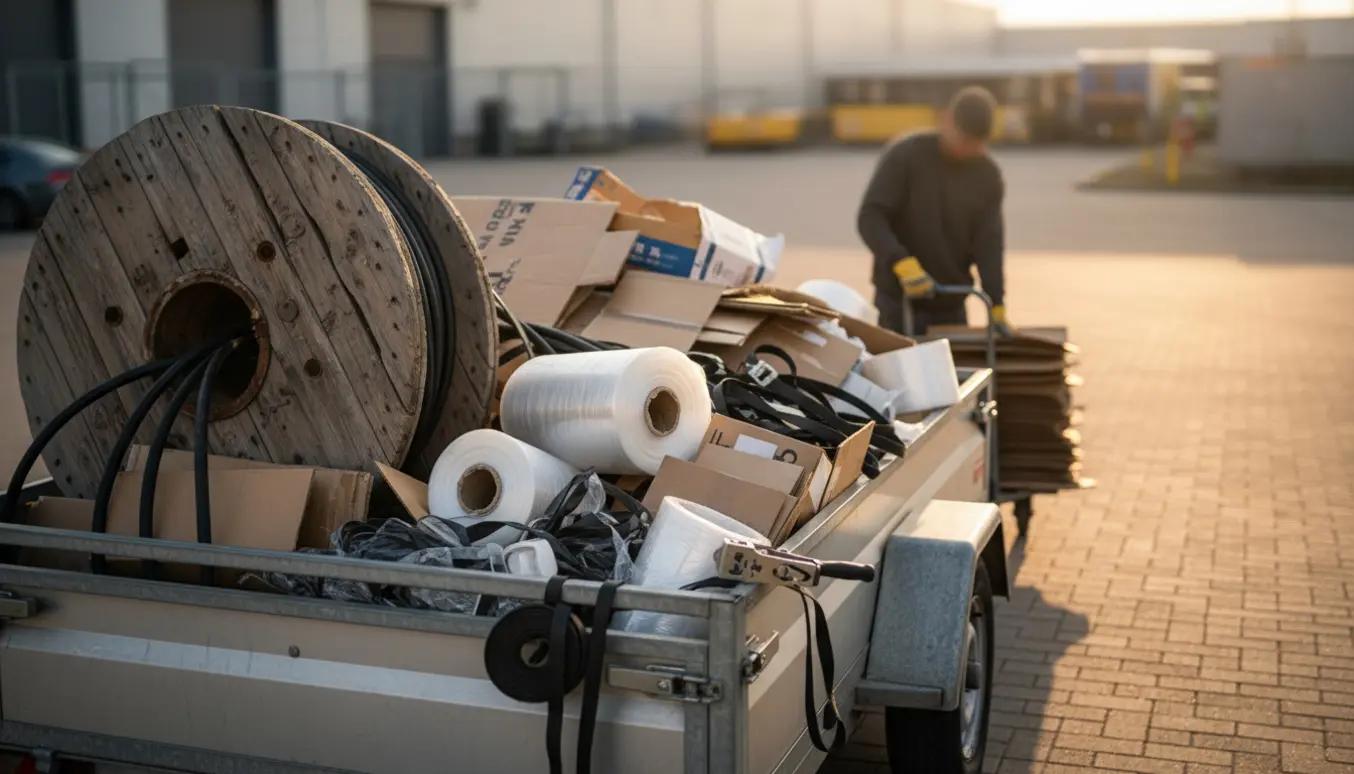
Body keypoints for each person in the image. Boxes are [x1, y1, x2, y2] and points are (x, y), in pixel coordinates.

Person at [857, 85, 1011, 337]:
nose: (967, 150)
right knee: (900, 374)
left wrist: (997, 304)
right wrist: (901, 262)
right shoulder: (906, 156)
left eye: (976, 144)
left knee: (951, 373)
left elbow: (989, 246)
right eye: (963, 140)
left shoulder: (987, 175)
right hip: (898, 303)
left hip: (951, 304)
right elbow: (870, 217)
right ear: (947, 120)